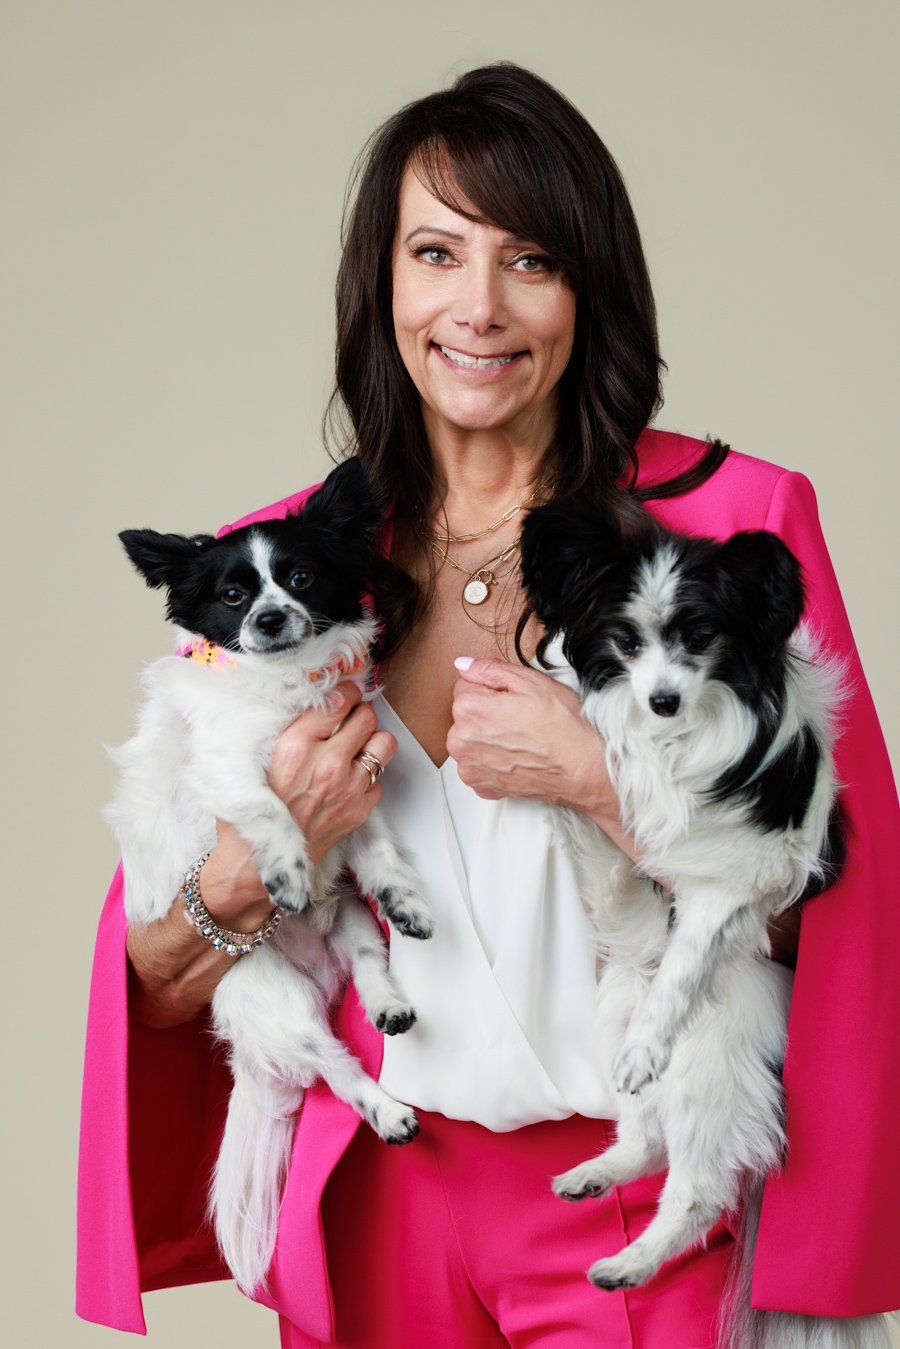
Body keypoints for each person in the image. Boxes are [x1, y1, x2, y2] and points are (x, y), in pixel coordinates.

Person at [77, 65, 900, 1347]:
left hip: (632, 1187)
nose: (477, 305)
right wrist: (242, 871)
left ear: (589, 291)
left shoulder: (738, 532)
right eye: (435, 252)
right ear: (384, 285)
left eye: (529, 259)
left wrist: (598, 775)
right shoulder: (283, 578)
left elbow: (839, 913)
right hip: (379, 1195)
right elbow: (161, 977)